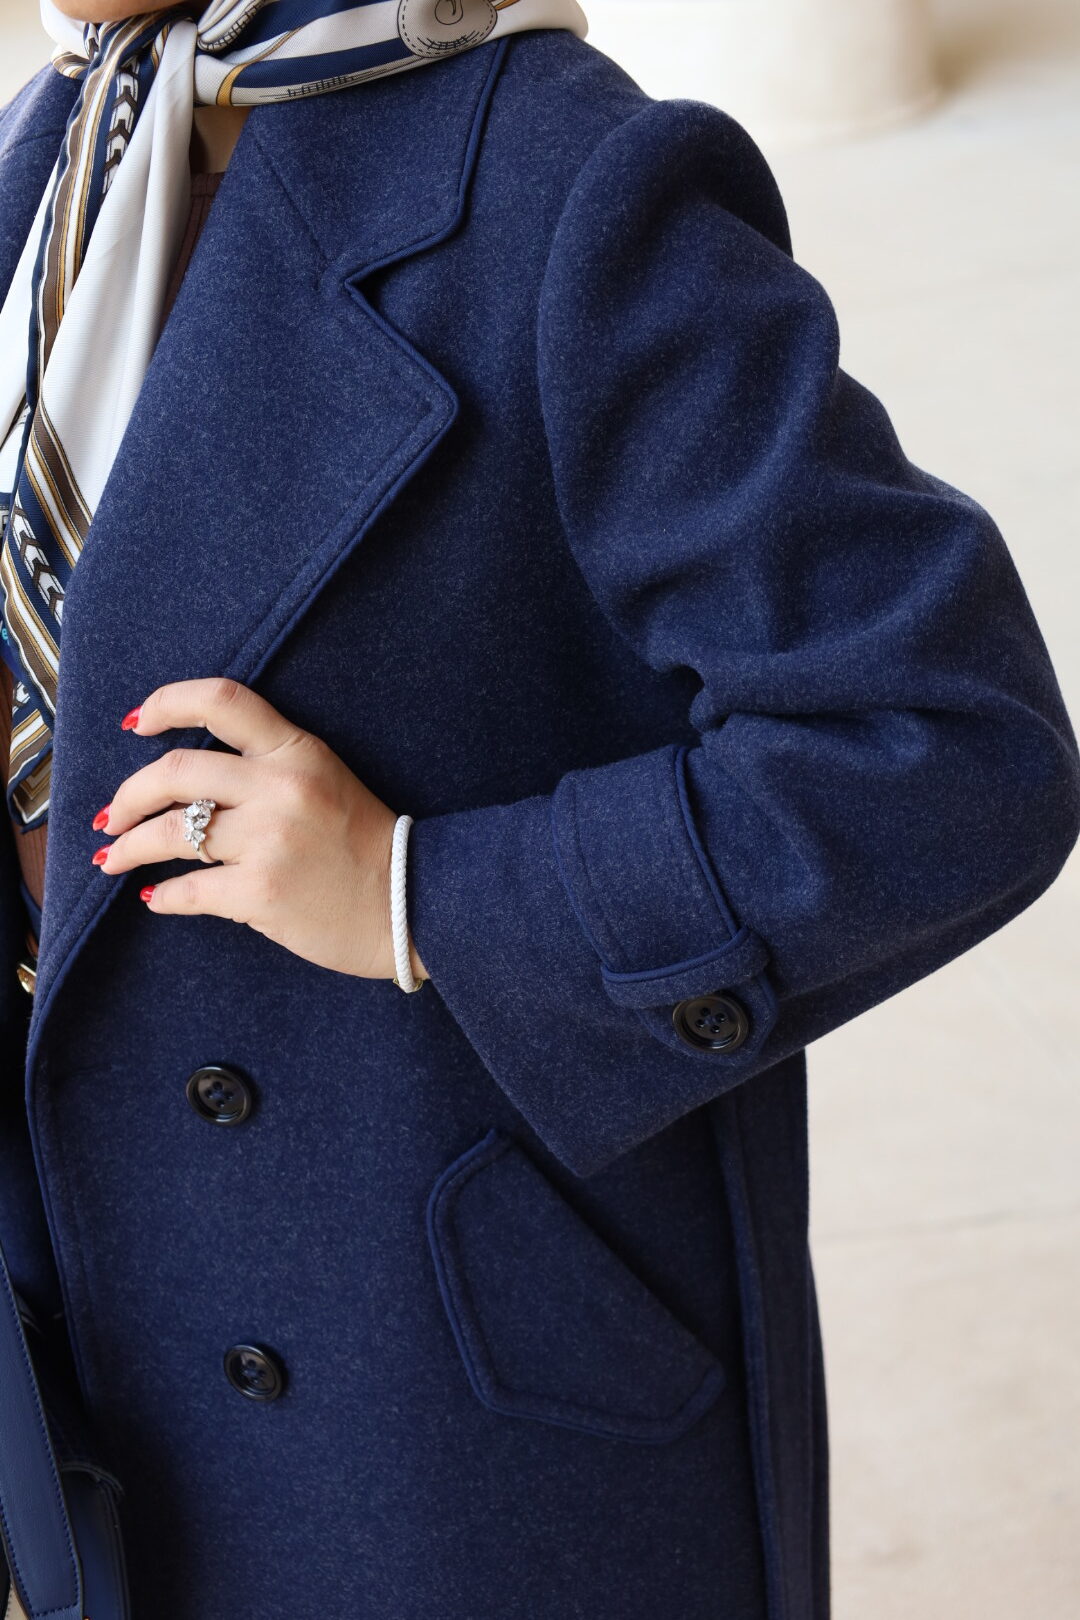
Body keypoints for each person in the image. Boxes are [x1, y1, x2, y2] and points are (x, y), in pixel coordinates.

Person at [0, 1, 1075, 1616]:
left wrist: (418, 890)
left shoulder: (568, 182)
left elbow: (948, 746)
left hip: (449, 1402)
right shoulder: (51, 164)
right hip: (98, 1360)